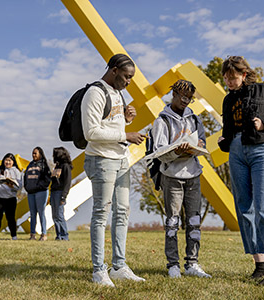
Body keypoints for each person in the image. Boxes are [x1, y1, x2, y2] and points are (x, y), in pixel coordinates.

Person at [218, 56, 264, 285]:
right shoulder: (227, 100)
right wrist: (225, 140)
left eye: (232, 78)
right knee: (244, 207)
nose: (229, 82)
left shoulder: (263, 90)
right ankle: (259, 264)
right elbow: (229, 129)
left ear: (243, 74)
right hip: (237, 151)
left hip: (262, 149)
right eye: (226, 79)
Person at [81, 53, 147, 287]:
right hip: (101, 160)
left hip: (120, 159)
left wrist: (126, 120)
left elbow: (109, 125)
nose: (129, 82)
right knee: (101, 213)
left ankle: (119, 265)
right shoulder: (95, 93)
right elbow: (91, 132)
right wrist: (126, 135)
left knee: (123, 211)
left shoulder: (117, 93)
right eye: (127, 77)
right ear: (114, 70)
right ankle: (99, 270)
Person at [151, 79, 211, 279]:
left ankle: (192, 263)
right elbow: (159, 152)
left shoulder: (194, 119)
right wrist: (177, 151)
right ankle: (173, 265)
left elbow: (202, 143)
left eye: (190, 98)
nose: (186, 101)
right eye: (183, 96)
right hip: (172, 176)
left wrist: (199, 144)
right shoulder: (162, 121)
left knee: (194, 221)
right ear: (174, 94)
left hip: (193, 174)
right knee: (172, 222)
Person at [0, 153, 22, 240]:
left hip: (10, 198)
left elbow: (19, 186)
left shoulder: (16, 171)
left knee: (11, 217)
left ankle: (14, 236)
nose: (7, 162)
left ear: (13, 162)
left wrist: (11, 184)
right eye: (6, 160)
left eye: (9, 161)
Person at [23, 147, 51, 241]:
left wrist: (39, 186)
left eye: (35, 153)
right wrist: (27, 187)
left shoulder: (43, 165)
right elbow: (25, 177)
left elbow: (47, 178)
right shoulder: (30, 164)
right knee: (32, 213)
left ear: (40, 154)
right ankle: (32, 234)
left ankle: (43, 234)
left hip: (41, 192)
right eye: (33, 153)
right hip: (31, 192)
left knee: (41, 212)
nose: (33, 155)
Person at [50, 147, 72, 241]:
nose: (53, 156)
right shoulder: (57, 166)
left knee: (59, 215)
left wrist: (63, 196)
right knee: (54, 215)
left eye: (55, 154)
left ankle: (64, 235)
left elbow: (67, 182)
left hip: (60, 193)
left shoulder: (66, 166)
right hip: (54, 192)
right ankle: (58, 235)